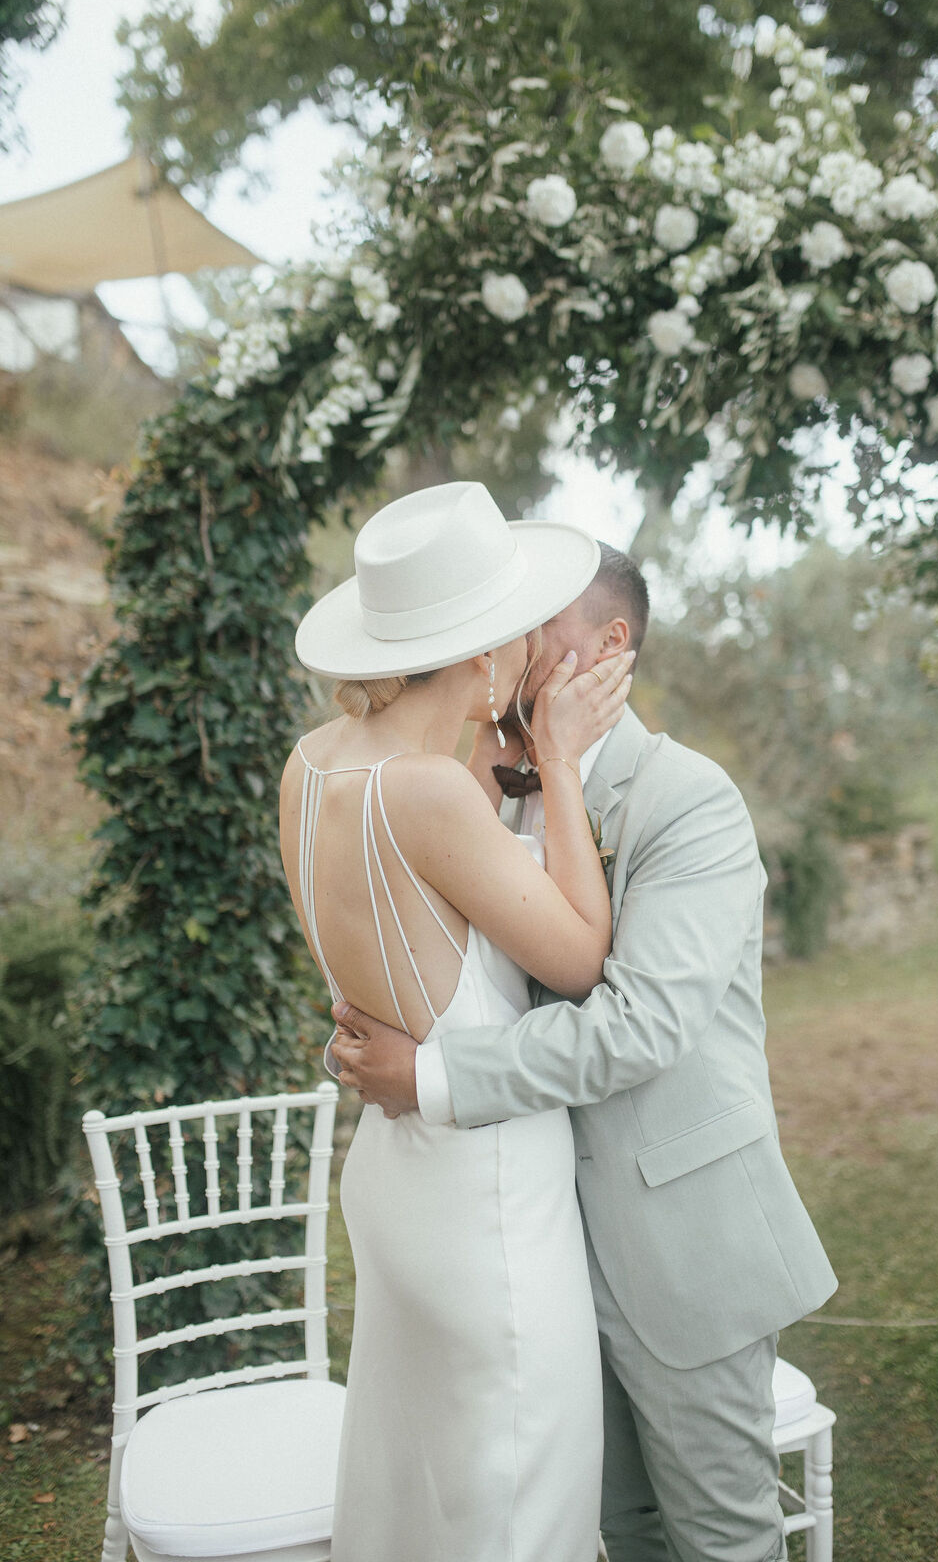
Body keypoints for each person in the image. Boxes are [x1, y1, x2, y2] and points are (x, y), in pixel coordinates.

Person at [330, 542, 839, 1562]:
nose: (514, 646)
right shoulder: (493, 788)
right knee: (622, 1529)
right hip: (540, 1247)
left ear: (612, 646)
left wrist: (431, 1078)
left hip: (682, 1241)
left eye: (540, 622)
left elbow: (640, 1025)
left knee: (721, 1536)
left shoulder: (689, 802)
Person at [278, 479, 633, 1562]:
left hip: (392, 1175)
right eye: (522, 630)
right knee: (517, 1502)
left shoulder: (312, 765)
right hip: (487, 1201)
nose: (538, 647)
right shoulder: (429, 793)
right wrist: (562, 764)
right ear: (482, 656)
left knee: (415, 1486)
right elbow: (579, 952)